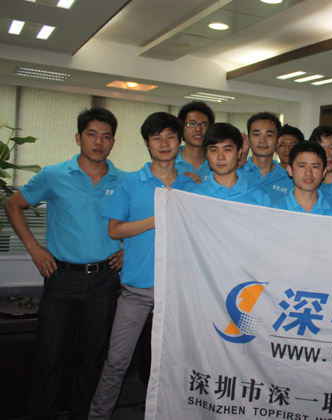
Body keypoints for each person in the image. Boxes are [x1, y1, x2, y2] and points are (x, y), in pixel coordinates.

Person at [4, 107, 124, 420]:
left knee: (93, 360)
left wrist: (127, 249)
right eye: (92, 134)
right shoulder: (54, 175)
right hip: (62, 278)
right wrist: (35, 249)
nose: (99, 142)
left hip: (105, 280)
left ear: (113, 142)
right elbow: (13, 205)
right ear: (78, 138)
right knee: (50, 359)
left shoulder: (123, 180)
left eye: (106, 136)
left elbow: (143, 220)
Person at [89, 112, 195, 419]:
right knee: (116, 362)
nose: (164, 143)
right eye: (156, 138)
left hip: (179, 291)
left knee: (178, 364)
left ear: (180, 141)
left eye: (170, 137)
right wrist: (155, 219)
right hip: (137, 289)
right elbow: (115, 230)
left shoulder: (192, 183)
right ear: (147, 143)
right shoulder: (130, 182)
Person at [191, 122, 271, 206]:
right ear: (206, 154)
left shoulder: (258, 197)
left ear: (239, 152)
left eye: (227, 150)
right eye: (214, 150)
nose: (220, 157)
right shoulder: (194, 196)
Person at [273, 141, 332, 216]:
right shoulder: (275, 210)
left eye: (315, 167)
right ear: (290, 170)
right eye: (302, 166)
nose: (308, 173)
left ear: (323, 172)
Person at [239, 112, 292, 202]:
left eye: (269, 135)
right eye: (256, 134)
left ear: (278, 141)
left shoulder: (289, 179)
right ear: (248, 140)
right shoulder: (236, 174)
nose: (262, 140)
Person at [175, 101, 215, 181]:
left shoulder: (217, 162)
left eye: (204, 125)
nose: (198, 129)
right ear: (182, 127)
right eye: (192, 124)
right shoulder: (170, 160)